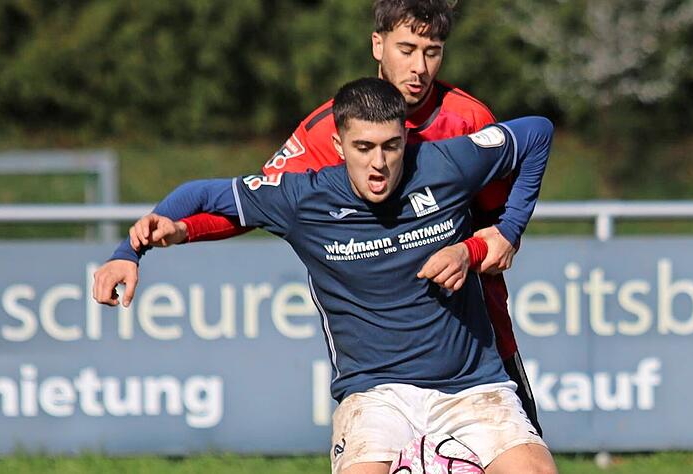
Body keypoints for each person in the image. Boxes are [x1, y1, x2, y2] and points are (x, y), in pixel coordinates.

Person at [94, 0, 543, 436]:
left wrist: (498, 237)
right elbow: (248, 204)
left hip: (475, 342)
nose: (420, 68)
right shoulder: (322, 133)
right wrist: (176, 232)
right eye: (407, 50)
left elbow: (500, 224)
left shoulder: (467, 119)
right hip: (380, 364)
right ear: (377, 45)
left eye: (432, 52)